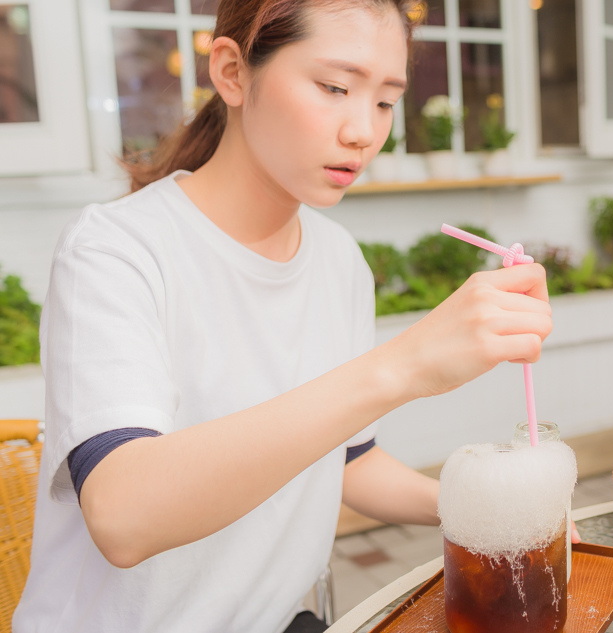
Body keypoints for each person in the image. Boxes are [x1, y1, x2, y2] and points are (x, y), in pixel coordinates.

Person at [12, 1, 552, 631]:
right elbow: (123, 516)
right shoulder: (116, 250)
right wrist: (403, 365)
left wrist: (491, 510)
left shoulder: (338, 260)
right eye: (334, 87)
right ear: (233, 72)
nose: (363, 132)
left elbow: (349, 459)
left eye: (384, 102)